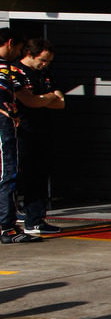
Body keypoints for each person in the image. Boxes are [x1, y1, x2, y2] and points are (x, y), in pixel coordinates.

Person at [0, 28, 47, 245]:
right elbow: (22, 99)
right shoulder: (4, 69)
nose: (18, 54)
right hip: (3, 128)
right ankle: (7, 228)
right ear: (10, 43)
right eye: (18, 49)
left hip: (8, 125)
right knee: (7, 176)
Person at [16, 38, 66, 235]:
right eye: (42, 60)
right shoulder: (16, 72)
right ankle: (13, 218)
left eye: (48, 61)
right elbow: (29, 102)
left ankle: (36, 219)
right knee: (19, 175)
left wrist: (44, 99)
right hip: (22, 130)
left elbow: (60, 102)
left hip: (42, 129)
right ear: (30, 54)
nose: (44, 65)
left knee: (39, 175)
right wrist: (47, 98)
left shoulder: (45, 74)